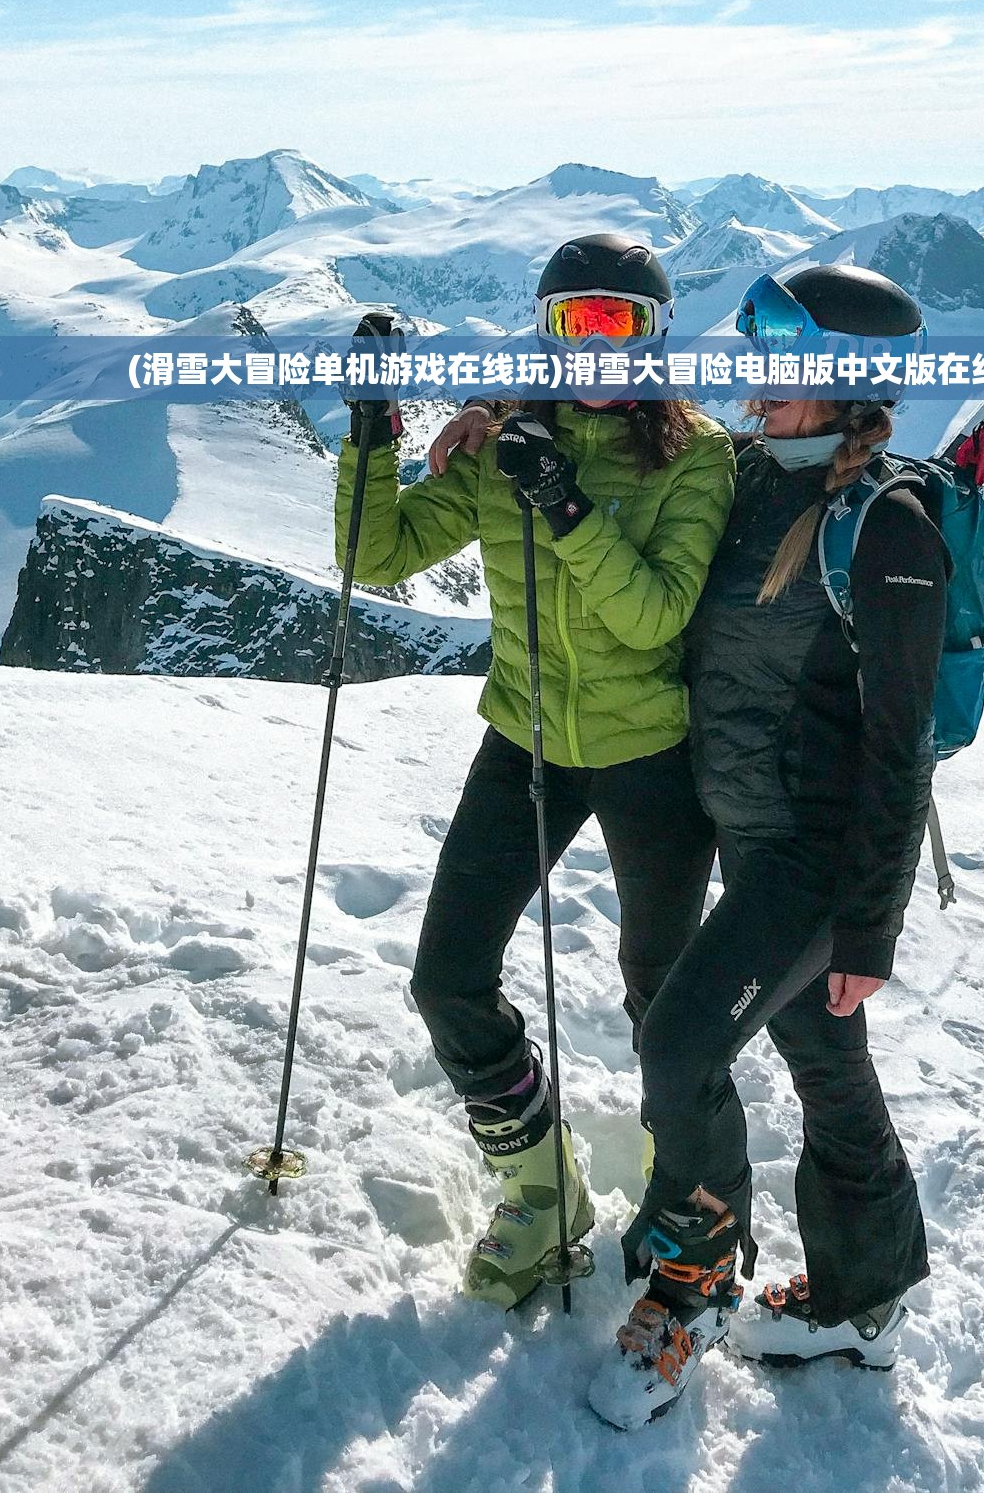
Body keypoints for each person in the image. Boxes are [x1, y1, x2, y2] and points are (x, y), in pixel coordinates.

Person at [336, 233, 735, 1308]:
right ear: (548, 333)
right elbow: (378, 557)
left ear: (654, 335)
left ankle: (685, 1195)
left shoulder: (697, 460)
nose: (596, 348)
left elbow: (652, 613)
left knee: (664, 997)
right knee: (445, 977)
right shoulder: (506, 440)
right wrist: (373, 432)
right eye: (574, 323)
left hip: (652, 752)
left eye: (618, 323)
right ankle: (538, 1185)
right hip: (525, 739)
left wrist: (563, 505)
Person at [587, 263, 948, 1430]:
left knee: (677, 1043)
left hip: (811, 861)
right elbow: (626, 435)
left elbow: (903, 744)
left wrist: (870, 925)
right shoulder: (745, 475)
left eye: (782, 363)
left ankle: (694, 1282)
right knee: (825, 1063)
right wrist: (491, 420)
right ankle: (864, 1296)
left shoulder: (883, 526)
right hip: (743, 828)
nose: (755, 379)